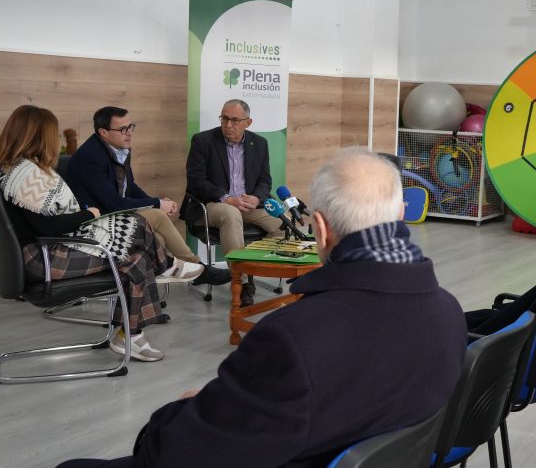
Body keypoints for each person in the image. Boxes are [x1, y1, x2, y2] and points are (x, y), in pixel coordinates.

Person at [58, 147, 468, 468]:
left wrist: (184, 409)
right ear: (400, 213)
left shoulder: (295, 338)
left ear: (320, 229)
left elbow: (175, 456)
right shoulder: (450, 314)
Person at [0, 106, 203, 362]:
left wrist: (85, 215)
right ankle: (167, 266)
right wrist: (87, 215)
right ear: (38, 136)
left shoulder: (20, 168)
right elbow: (47, 227)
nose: (55, 139)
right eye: (53, 134)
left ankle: (130, 335)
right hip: (44, 259)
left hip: (53, 250)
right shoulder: (26, 175)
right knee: (137, 228)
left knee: (138, 260)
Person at [66, 106, 229, 287]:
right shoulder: (90, 157)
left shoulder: (117, 148)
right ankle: (199, 268)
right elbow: (114, 203)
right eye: (123, 129)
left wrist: (157, 203)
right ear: (103, 132)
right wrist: (157, 204)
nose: (129, 133)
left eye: (131, 127)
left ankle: (149, 295)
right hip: (94, 223)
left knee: (158, 237)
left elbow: (130, 187)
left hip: (113, 216)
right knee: (157, 216)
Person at [184, 99, 283, 304]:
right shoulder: (203, 141)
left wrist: (256, 197)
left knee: (282, 221)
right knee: (231, 214)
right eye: (224, 119)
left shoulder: (259, 143)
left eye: (235, 120)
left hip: (248, 204)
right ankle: (242, 281)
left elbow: (265, 180)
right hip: (212, 205)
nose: (228, 125)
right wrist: (227, 199)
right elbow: (196, 181)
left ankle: (257, 268)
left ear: (248, 122)